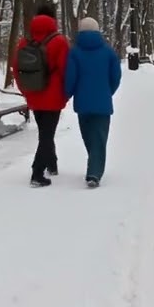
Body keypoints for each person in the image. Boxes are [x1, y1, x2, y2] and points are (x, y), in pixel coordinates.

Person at [11, 3, 71, 187]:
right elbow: (66, 71)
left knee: (45, 132)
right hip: (53, 97)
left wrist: (25, 91)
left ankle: (51, 164)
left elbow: (16, 69)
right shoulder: (60, 42)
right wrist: (66, 94)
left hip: (34, 95)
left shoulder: (24, 41)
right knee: (47, 134)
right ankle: (37, 173)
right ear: (53, 19)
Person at [62, 17, 122, 188]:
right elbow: (116, 77)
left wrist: (68, 93)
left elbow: (70, 78)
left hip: (83, 104)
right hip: (102, 104)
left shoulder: (74, 52)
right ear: (98, 31)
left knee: (89, 137)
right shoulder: (108, 52)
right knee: (99, 139)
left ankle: (93, 169)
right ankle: (94, 172)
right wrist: (107, 92)